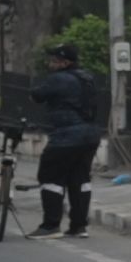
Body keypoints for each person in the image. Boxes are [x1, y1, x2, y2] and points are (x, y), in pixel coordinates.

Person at [31, 41, 103, 236]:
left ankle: (50, 225)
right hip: (90, 136)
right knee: (80, 179)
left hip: (66, 137)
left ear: (64, 63)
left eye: (54, 61)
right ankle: (79, 226)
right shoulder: (87, 78)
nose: (50, 64)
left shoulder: (58, 79)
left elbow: (37, 95)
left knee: (50, 177)